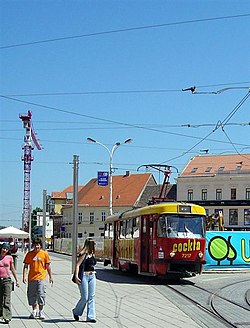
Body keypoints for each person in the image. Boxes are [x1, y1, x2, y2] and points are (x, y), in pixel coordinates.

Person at [22, 238, 53, 320]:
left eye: (38, 245)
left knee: (41, 294)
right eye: (35, 245)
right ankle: (34, 310)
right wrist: (24, 276)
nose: (37, 246)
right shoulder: (29, 254)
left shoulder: (44, 254)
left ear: (40, 246)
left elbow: (48, 266)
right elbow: (26, 266)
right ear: (33, 245)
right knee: (32, 294)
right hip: (31, 278)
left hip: (41, 277)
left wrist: (50, 276)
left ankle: (41, 311)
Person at [72, 238, 97, 323]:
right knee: (85, 297)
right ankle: (76, 312)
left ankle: (91, 317)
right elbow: (77, 265)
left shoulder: (93, 254)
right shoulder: (83, 254)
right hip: (84, 277)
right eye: (93, 244)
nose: (94, 246)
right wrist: (76, 276)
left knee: (91, 297)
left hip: (92, 276)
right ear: (90, 245)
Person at [0, 243, 19, 324]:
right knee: (0, 299)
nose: (4, 250)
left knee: (6, 299)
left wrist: (17, 280)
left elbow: (13, 269)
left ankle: (7, 316)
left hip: (7, 280)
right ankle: (1, 315)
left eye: (6, 249)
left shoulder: (9, 257)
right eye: (4, 248)